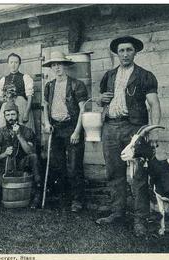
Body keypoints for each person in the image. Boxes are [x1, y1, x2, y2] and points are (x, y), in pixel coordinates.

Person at [95, 36, 162, 237]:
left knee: (138, 175)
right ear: (117, 53)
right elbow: (102, 101)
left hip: (134, 129)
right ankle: (117, 213)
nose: (125, 54)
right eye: (121, 50)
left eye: (129, 50)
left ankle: (140, 219)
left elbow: (154, 104)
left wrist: (153, 130)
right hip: (110, 128)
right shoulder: (109, 76)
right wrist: (100, 100)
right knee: (114, 173)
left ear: (135, 52)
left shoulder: (144, 76)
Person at [42, 51, 88, 212]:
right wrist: (47, 123)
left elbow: (83, 110)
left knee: (74, 166)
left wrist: (76, 132)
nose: (56, 67)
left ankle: (78, 200)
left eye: (59, 64)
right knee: (58, 165)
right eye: (53, 65)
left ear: (65, 66)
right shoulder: (49, 86)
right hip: (56, 129)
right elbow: (45, 107)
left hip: (72, 128)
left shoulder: (77, 85)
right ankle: (64, 198)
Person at [0, 102, 41, 208]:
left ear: (18, 115)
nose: (10, 118)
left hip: (21, 163)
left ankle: (37, 194)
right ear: (4, 116)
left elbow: (30, 151)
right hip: (3, 165)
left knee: (34, 158)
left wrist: (19, 135)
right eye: (7, 115)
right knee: (1, 187)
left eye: (13, 114)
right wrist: (4, 154)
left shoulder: (26, 131)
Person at [0, 53, 36, 133]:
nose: (13, 65)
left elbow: (29, 97)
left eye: (16, 62)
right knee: (5, 131)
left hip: (21, 106)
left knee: (22, 131)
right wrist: (5, 98)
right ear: (8, 64)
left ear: (19, 64)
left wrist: (26, 113)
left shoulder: (25, 77)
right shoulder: (4, 79)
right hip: (7, 107)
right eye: (11, 62)